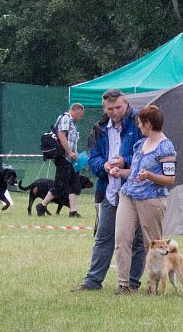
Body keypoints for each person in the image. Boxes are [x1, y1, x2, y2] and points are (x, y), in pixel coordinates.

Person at [76, 90, 144, 292]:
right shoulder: (99, 128)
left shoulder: (140, 122)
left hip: (136, 191)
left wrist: (126, 161)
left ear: (126, 103)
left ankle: (131, 284)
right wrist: (103, 166)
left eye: (118, 107)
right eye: (110, 108)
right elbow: (93, 157)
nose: (114, 112)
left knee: (137, 240)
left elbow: (148, 153)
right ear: (104, 108)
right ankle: (92, 282)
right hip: (109, 189)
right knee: (104, 237)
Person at [110, 104, 176, 294]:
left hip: (152, 199)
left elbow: (170, 179)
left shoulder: (166, 147)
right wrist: (120, 172)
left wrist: (150, 176)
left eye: (140, 123)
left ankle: (152, 286)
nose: (138, 126)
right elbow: (135, 172)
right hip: (128, 195)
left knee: (153, 244)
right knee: (122, 239)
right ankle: (124, 285)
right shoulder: (140, 144)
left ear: (148, 123)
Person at [54, 102, 86, 217]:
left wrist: (76, 156)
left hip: (71, 159)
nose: (80, 117)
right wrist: (70, 152)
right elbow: (61, 135)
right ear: (75, 110)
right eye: (80, 115)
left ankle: (73, 211)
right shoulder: (66, 119)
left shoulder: (72, 122)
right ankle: (42, 205)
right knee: (60, 185)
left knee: (74, 183)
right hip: (64, 157)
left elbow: (72, 141)